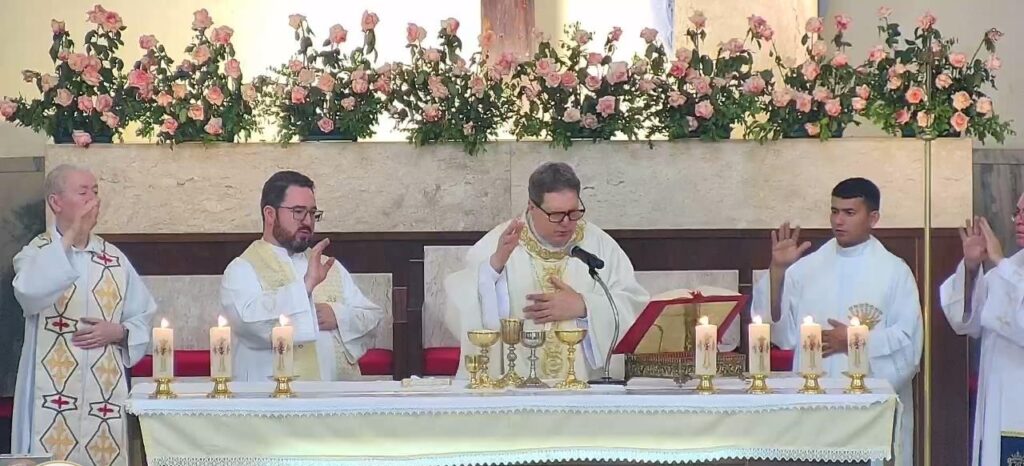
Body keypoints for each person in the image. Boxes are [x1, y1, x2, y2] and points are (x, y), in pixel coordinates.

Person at [750, 177, 922, 466]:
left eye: (849, 213)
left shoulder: (894, 272)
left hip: (867, 409)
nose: (838, 220)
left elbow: (909, 343)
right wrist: (779, 271)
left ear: (874, 218)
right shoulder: (807, 267)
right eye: (834, 211)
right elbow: (780, 330)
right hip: (812, 406)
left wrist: (855, 341)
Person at [445, 162, 649, 380]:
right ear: (532, 207)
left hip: (582, 386)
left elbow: (632, 301)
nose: (566, 223)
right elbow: (459, 307)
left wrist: (584, 307)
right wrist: (494, 269)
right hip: (514, 390)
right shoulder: (500, 244)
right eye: (556, 214)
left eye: (573, 212)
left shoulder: (599, 245)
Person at [11, 164, 156, 466]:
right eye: (83, 192)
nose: (94, 199)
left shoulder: (114, 259)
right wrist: (72, 234)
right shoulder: (34, 253)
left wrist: (120, 333)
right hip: (50, 400)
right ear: (55, 203)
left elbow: (143, 315)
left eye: (96, 191)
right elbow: (29, 293)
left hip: (103, 398)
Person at [220, 171, 383, 381]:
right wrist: (306, 286)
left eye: (312, 213)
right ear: (270, 214)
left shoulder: (328, 266)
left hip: (334, 398)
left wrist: (338, 316)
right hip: (272, 400)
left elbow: (372, 316)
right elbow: (249, 324)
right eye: (298, 212)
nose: (308, 221)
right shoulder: (242, 269)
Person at [940, 203, 1024, 466]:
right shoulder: (1010, 269)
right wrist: (971, 267)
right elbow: (966, 322)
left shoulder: (1007, 268)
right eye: (1018, 213)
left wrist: (999, 261)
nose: (1019, 221)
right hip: (1000, 393)